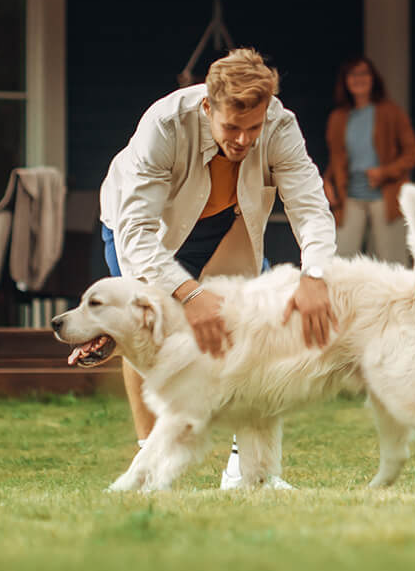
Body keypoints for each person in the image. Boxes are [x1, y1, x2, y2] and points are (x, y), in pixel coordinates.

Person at [100, 47, 339, 488]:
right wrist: (188, 295)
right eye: (232, 126)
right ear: (207, 105)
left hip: (226, 225)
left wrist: (315, 275)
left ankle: (246, 470)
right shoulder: (165, 124)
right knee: (144, 328)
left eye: (254, 127)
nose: (244, 140)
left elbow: (310, 208)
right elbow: (137, 233)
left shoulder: (281, 126)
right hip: (147, 228)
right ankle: (149, 466)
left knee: (253, 328)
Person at [323, 56, 415, 265]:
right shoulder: (338, 117)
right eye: (353, 74)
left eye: (364, 73)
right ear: (345, 81)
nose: (358, 79)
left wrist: (384, 172)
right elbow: (337, 157)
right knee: (341, 259)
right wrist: (327, 181)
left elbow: (412, 153)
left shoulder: (390, 110)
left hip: (385, 195)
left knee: (392, 261)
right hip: (349, 196)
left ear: (373, 78)